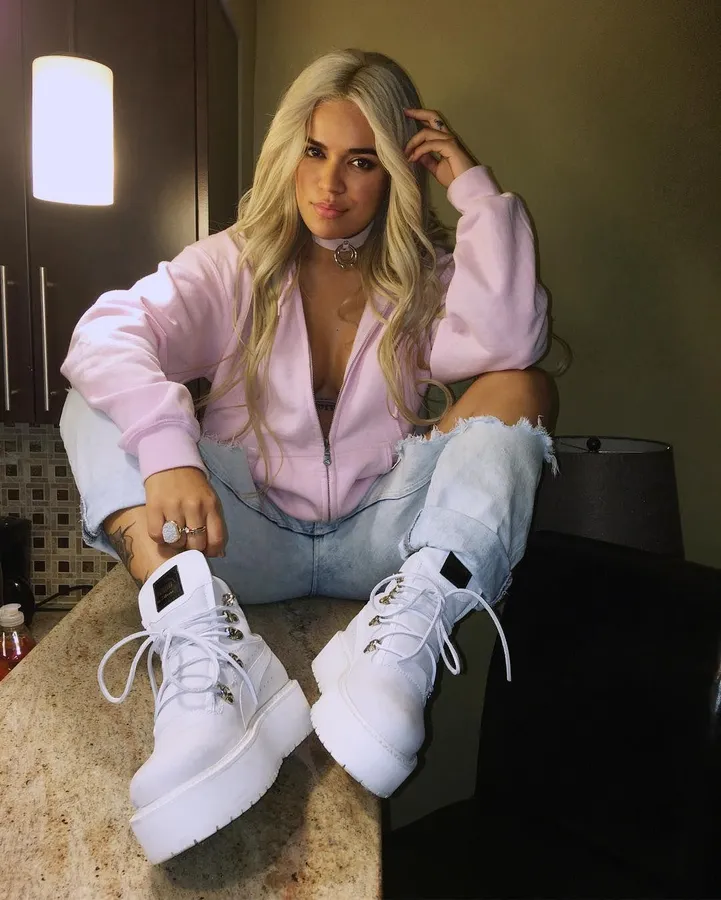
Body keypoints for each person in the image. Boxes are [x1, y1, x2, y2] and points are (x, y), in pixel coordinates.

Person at [60, 48, 556, 863]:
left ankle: (406, 636)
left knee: (522, 387)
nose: (329, 184)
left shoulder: (423, 281)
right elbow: (103, 334)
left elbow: (509, 340)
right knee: (96, 398)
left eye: (361, 161)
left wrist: (472, 190)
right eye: (315, 151)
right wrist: (168, 451)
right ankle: (200, 644)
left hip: (380, 540)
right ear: (288, 150)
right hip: (239, 540)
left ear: (394, 173)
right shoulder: (233, 264)